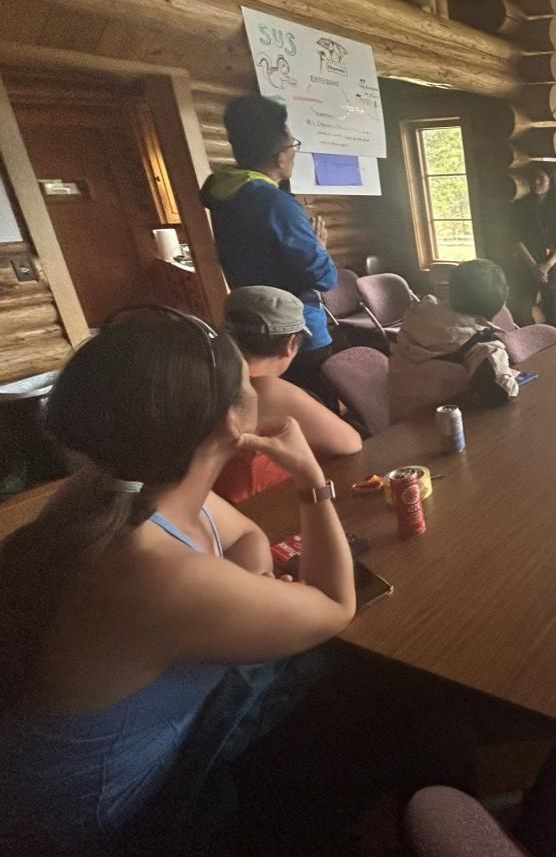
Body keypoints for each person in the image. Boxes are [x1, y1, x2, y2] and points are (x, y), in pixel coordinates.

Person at [0, 307, 358, 854]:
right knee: (343, 681)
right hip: (107, 822)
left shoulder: (112, 489)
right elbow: (335, 604)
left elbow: (246, 535)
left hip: (42, 789)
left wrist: (249, 582)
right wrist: (310, 479)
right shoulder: (154, 570)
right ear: (230, 421)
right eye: (245, 381)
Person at [200, 96, 339, 408]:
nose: (294, 152)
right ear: (280, 157)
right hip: (295, 331)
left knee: (273, 407)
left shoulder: (227, 194)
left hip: (252, 326)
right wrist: (320, 249)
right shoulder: (274, 204)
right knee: (319, 409)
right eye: (293, 145)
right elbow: (323, 277)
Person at [216, 286, 362, 503]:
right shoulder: (263, 388)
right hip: (262, 510)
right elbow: (350, 443)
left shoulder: (209, 376)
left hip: (215, 512)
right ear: (290, 343)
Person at [389, 259, 519, 423]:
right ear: (503, 301)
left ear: (449, 290)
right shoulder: (481, 345)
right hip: (445, 427)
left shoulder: (419, 312)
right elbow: (501, 394)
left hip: (400, 423)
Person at [508, 165, 556, 326]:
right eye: (533, 178)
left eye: (541, 178)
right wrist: (534, 267)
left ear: (550, 181)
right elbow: (516, 239)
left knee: (553, 316)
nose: (536, 182)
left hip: (552, 266)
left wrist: (547, 266)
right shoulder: (520, 206)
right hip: (527, 265)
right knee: (522, 313)